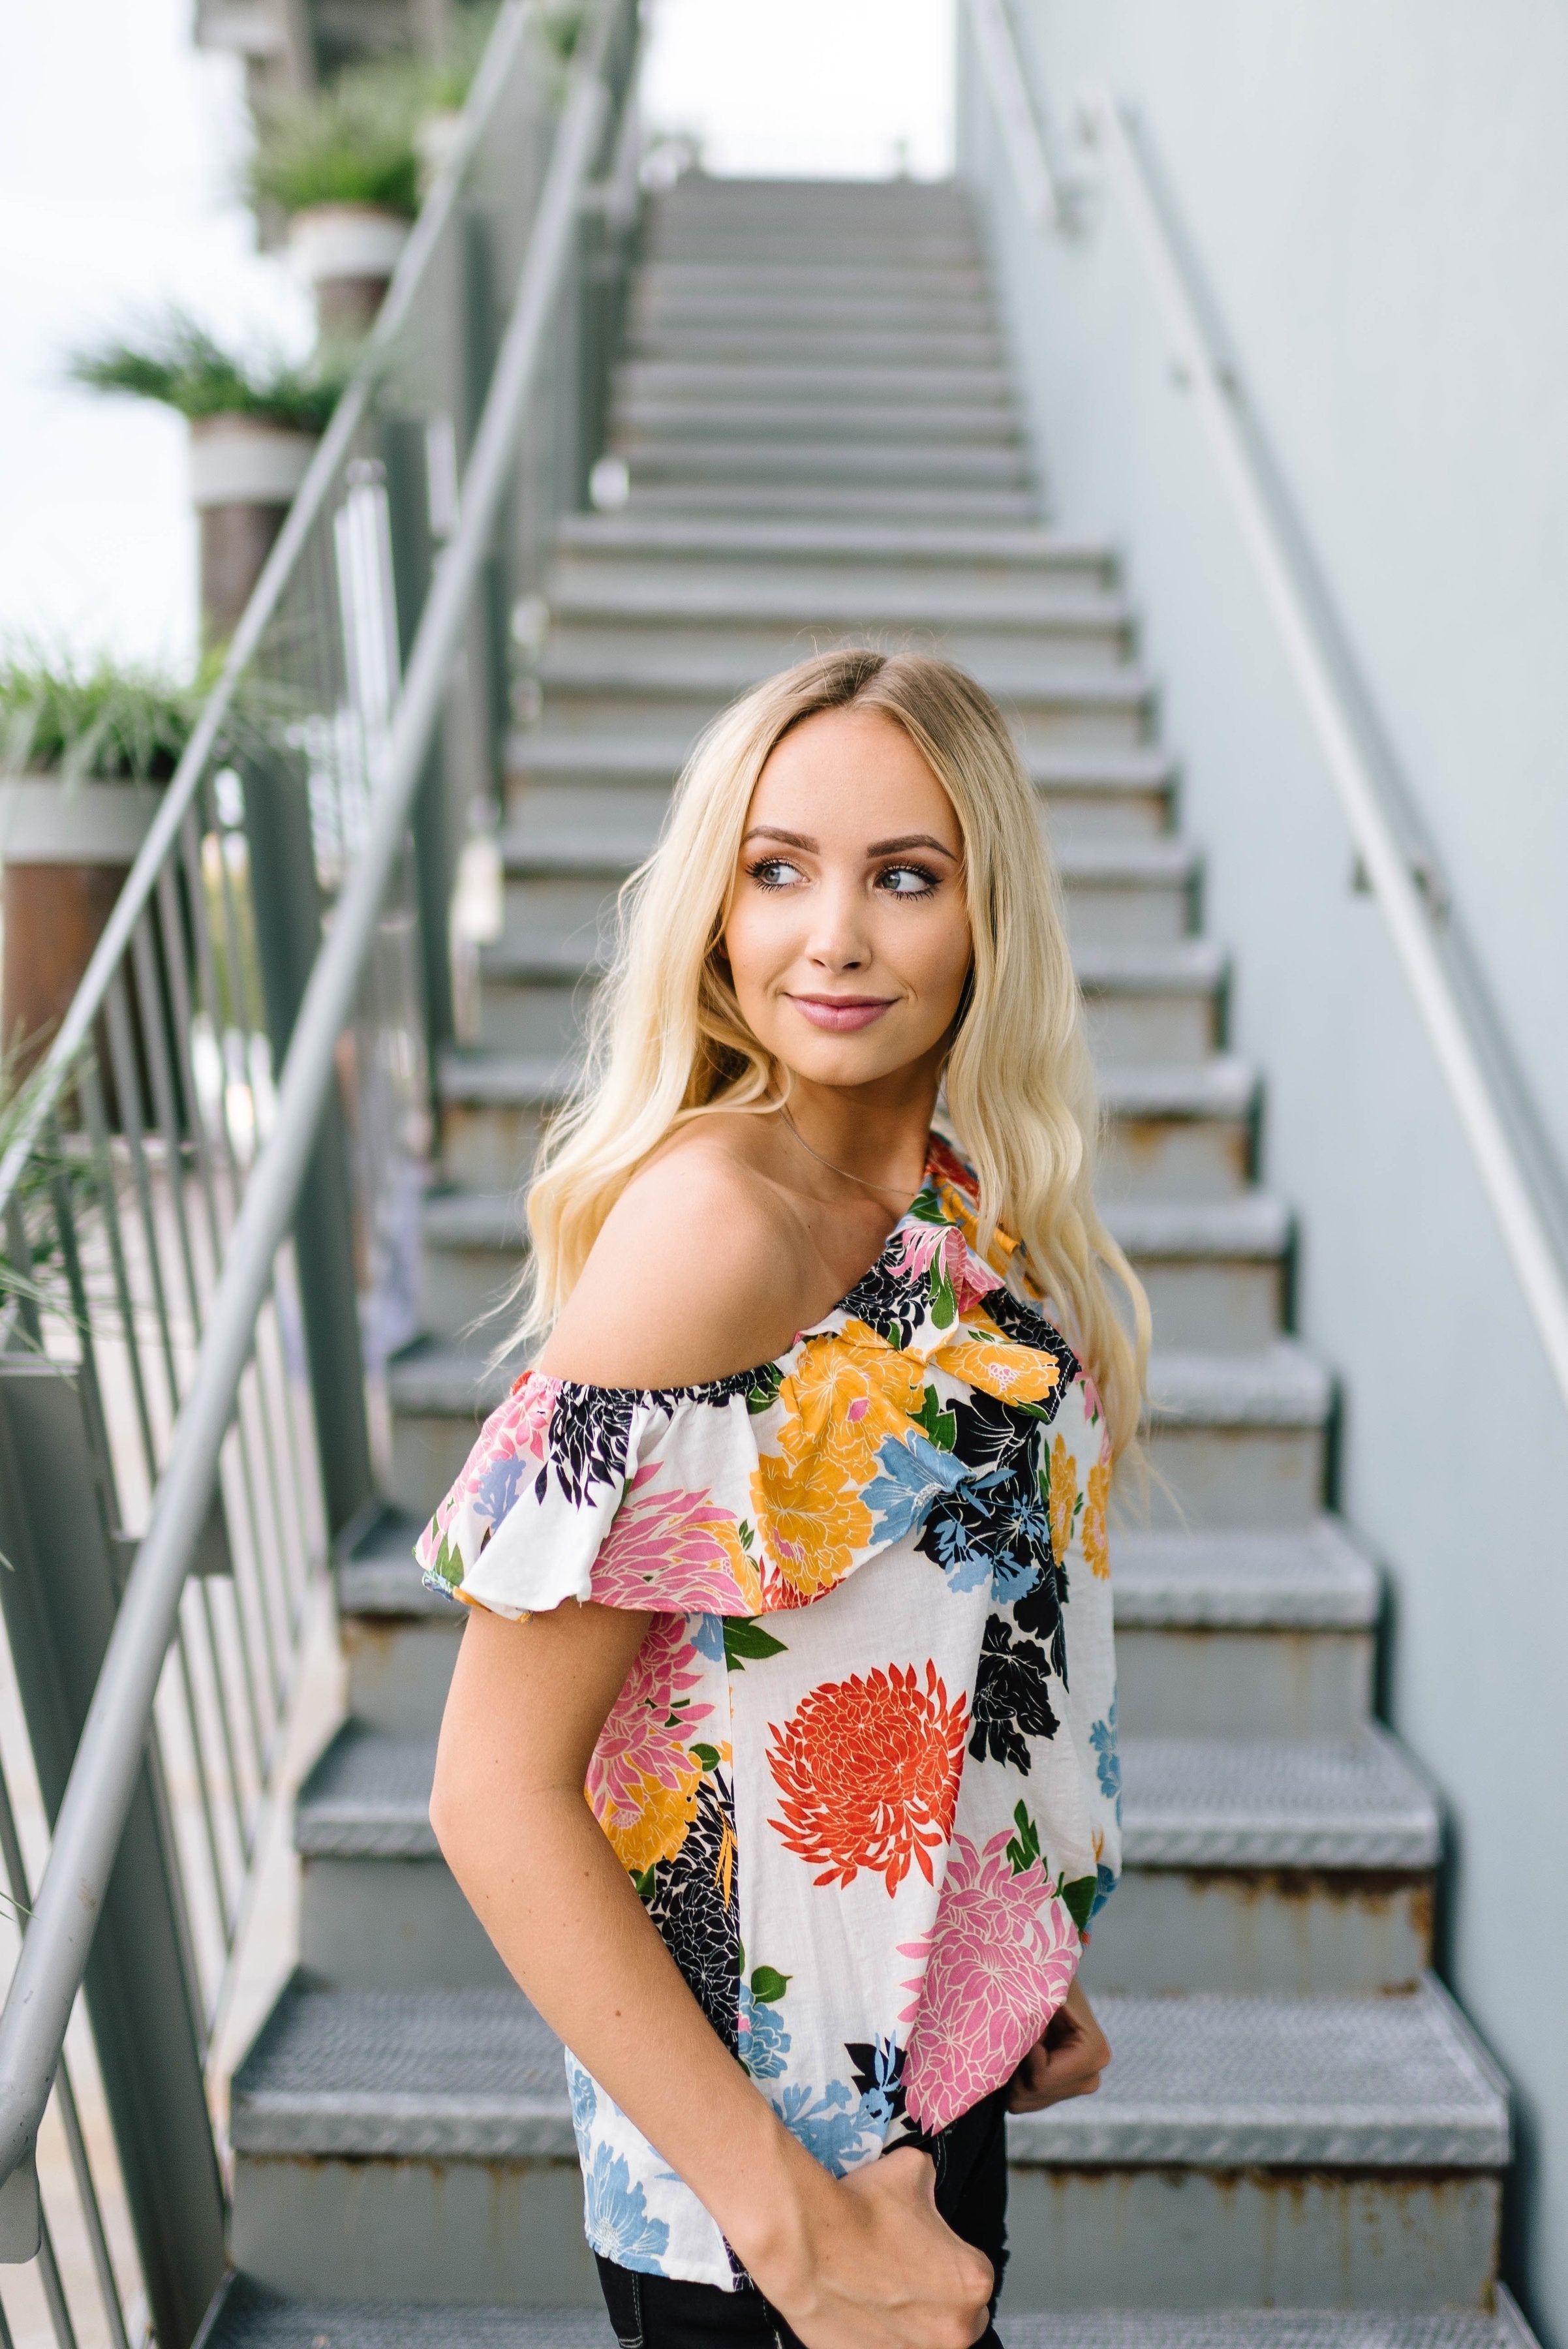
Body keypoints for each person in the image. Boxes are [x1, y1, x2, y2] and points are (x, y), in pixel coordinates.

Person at [423, 649, 1148, 2349]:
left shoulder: (952, 1207)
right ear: (716, 912)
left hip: (922, 2099)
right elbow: (490, 1792)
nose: (832, 936)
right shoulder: (716, 1227)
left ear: (988, 918)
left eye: (904, 877)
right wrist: (794, 2233)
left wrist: (999, 1942)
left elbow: (902, 1632)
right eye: (776, 869)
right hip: (757, 2205)